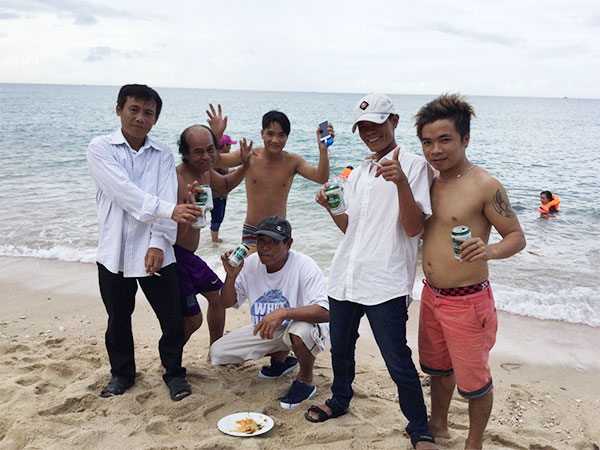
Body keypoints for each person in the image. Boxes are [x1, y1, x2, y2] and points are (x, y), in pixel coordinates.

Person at [307, 94, 437, 450]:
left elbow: (414, 228)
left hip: (386, 282)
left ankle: (419, 427)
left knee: (397, 359)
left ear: (394, 121)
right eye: (363, 128)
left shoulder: (414, 166)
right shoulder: (361, 171)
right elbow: (351, 229)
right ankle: (340, 399)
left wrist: (401, 184)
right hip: (345, 277)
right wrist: (332, 208)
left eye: (376, 125)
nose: (369, 133)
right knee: (340, 349)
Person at [414, 93, 526, 449]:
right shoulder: (427, 180)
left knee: (474, 382)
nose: (435, 150)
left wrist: (489, 250)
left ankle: (473, 442)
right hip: (431, 294)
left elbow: (517, 237)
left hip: (467, 301)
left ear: (465, 139)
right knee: (437, 369)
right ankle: (439, 426)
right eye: (427, 142)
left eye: (444, 139)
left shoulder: (484, 184)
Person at [87, 84, 201, 401]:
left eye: (148, 112)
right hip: (114, 250)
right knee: (118, 318)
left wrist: (158, 243)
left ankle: (174, 373)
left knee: (172, 318)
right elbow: (124, 193)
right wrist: (170, 211)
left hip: (157, 250)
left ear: (155, 118)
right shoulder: (100, 148)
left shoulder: (162, 153)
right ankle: (122, 374)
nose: (140, 118)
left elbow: (166, 194)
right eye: (134, 109)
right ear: (119, 110)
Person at [210, 216, 330, 410]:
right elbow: (226, 303)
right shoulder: (250, 264)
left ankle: (305, 380)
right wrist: (230, 277)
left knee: (299, 331)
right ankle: (281, 361)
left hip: (303, 327)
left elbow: (325, 312)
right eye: (261, 241)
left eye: (273, 242)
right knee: (218, 352)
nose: (265, 247)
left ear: (288, 244)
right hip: (270, 328)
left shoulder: (304, 265)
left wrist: (284, 312)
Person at [208, 109, 332, 253]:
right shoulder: (249, 155)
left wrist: (323, 149)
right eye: (270, 134)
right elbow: (215, 161)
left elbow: (321, 177)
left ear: (287, 137)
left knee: (278, 268)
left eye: (281, 135)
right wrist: (216, 136)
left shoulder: (293, 161)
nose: (275, 140)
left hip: (278, 232)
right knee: (249, 267)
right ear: (262, 133)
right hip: (252, 232)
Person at [174, 125, 251, 349]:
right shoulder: (177, 179)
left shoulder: (205, 172)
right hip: (174, 257)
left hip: (189, 257)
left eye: (210, 150)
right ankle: (168, 361)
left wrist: (245, 166)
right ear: (185, 153)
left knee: (218, 297)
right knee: (192, 320)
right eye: (198, 152)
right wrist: (188, 210)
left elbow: (225, 185)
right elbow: (168, 233)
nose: (206, 157)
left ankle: (216, 351)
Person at [210, 134, 237, 243]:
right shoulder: (218, 161)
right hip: (216, 195)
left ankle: (215, 239)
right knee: (217, 218)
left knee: (219, 218)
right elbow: (217, 178)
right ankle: (214, 241)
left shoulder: (224, 159)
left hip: (220, 195)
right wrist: (232, 174)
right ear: (225, 146)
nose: (230, 147)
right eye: (229, 145)